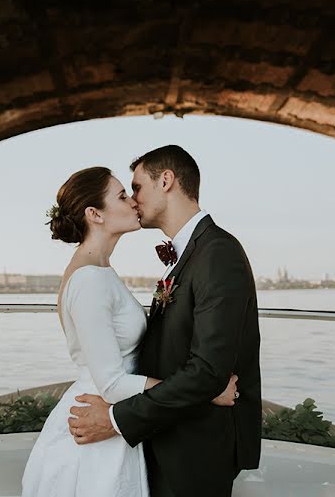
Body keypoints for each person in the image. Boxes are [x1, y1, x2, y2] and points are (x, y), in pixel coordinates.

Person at [21, 166, 239, 497]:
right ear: (95, 214)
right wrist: (206, 391)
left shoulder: (101, 271)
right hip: (97, 423)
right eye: (123, 195)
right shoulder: (89, 280)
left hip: (117, 418)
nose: (134, 202)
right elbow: (112, 382)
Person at [67, 146, 262, 497]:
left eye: (137, 188)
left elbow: (207, 371)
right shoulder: (188, 253)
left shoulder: (218, 253)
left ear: (167, 181)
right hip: (168, 433)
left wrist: (115, 419)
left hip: (197, 446)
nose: (133, 200)